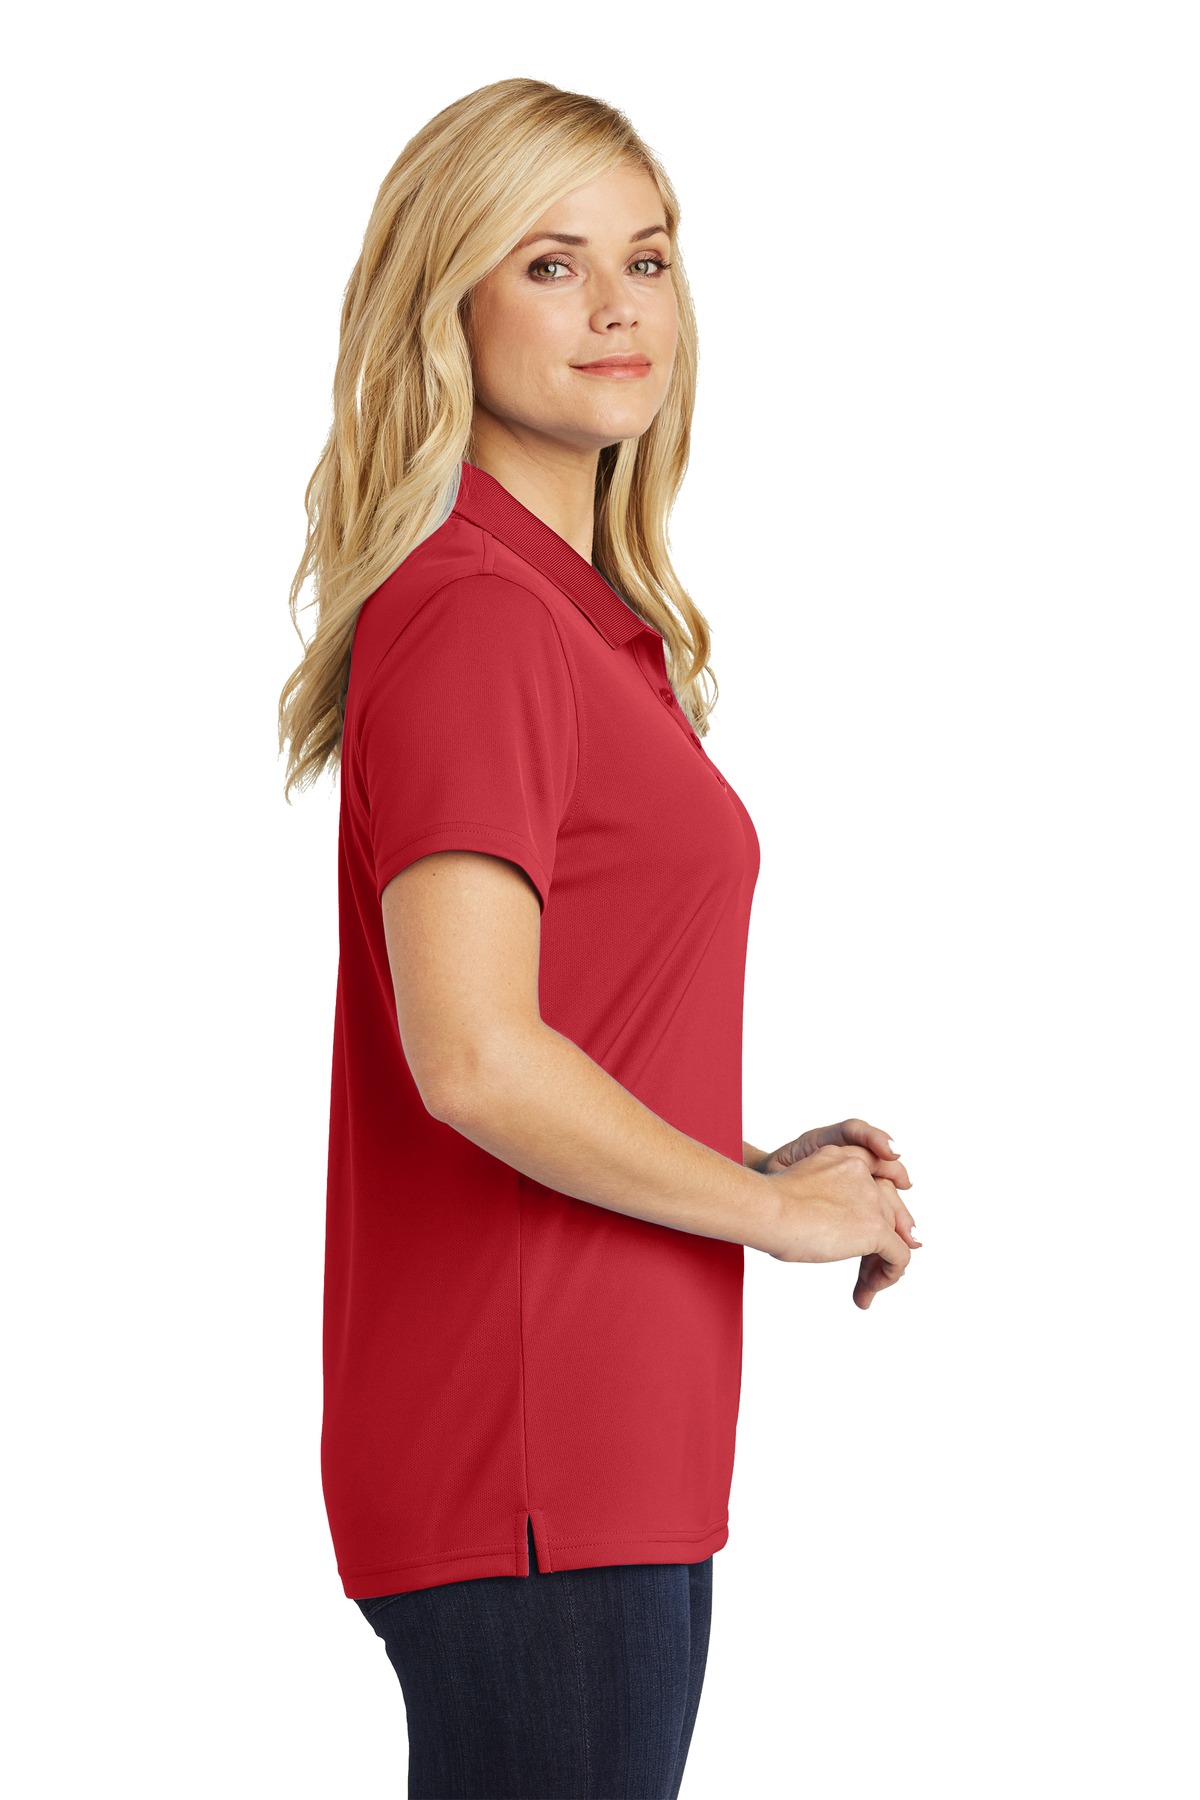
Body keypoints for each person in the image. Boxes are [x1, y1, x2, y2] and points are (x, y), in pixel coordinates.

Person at [277, 76, 920, 1800]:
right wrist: (775, 1214)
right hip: (534, 1460)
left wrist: (738, 1160)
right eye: (550, 264)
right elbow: (476, 1058)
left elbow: (554, 1032)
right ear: (447, 299)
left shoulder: (573, 625)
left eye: (647, 258)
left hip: (599, 1444)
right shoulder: (478, 618)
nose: (619, 306)